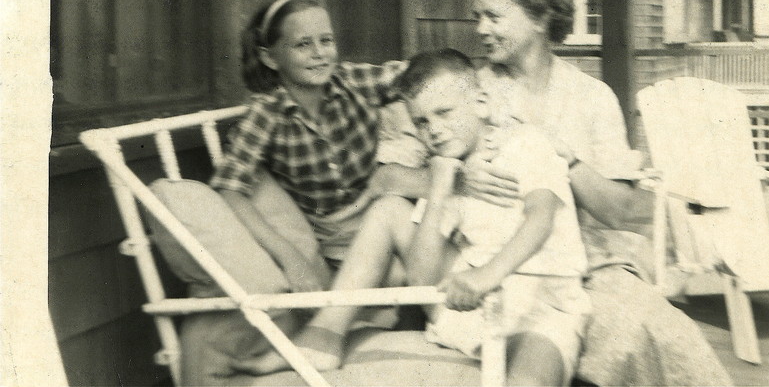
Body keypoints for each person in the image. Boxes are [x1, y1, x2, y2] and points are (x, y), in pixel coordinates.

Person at [232, 49, 590, 387]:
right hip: (470, 305)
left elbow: (540, 220)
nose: (432, 130)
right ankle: (324, 336)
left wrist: (485, 276)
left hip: (542, 304)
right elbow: (423, 277)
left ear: (481, 103)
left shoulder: (524, 142)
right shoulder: (446, 169)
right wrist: (439, 186)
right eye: (421, 121)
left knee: (531, 376)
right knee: (389, 210)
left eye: (444, 113)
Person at [461, 0, 733, 386]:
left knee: (665, 333)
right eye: (477, 17)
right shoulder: (470, 90)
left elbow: (624, 212)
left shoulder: (591, 97)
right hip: (506, 265)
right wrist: (460, 175)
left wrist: (564, 157)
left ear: (540, 16)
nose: (480, 29)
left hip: (593, 264)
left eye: (493, 16)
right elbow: (398, 173)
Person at [208, 0, 424, 305]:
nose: (319, 54)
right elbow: (229, 189)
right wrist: (290, 257)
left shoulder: (351, 81)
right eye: (302, 44)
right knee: (400, 279)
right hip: (336, 235)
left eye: (327, 41)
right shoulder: (266, 114)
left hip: (384, 202)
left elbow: (417, 76)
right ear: (271, 57)